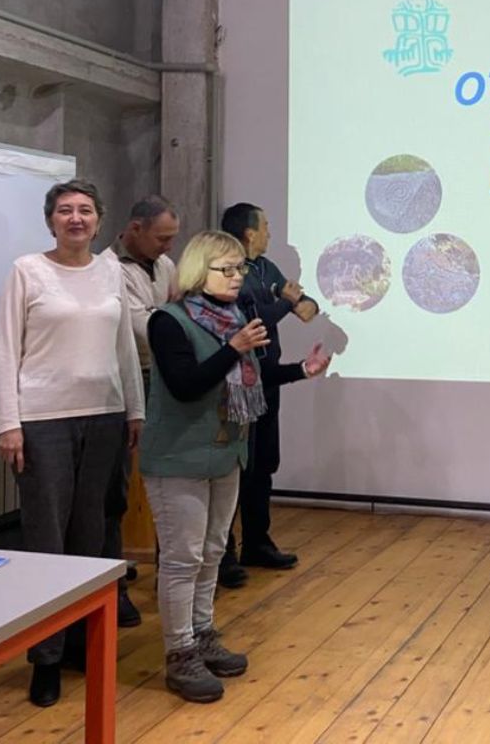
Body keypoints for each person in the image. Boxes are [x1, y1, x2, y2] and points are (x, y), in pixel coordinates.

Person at [141, 230, 330, 702]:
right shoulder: (168, 321)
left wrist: (300, 371)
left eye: (239, 269)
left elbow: (256, 376)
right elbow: (186, 386)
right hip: (179, 457)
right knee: (182, 558)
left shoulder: (235, 317)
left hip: (226, 452)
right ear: (197, 269)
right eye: (225, 269)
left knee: (211, 552)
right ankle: (179, 653)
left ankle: (203, 635)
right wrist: (235, 347)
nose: (236, 277)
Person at [0, 179, 144, 708]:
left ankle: (81, 645)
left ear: (99, 221)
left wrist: (135, 407)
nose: (75, 218)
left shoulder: (111, 271)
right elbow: (5, 349)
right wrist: (8, 423)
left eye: (84, 210)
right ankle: (45, 659)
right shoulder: (27, 271)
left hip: (104, 417)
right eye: (64, 211)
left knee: (92, 539)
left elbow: (124, 347)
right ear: (50, 220)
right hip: (42, 421)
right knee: (46, 541)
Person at [218, 202, 318, 581]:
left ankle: (257, 542)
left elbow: (304, 306)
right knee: (236, 467)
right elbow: (253, 320)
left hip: (268, 377)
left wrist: (296, 303)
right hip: (238, 382)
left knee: (263, 463)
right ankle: (224, 553)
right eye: (266, 227)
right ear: (249, 233)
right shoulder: (227, 268)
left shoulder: (265, 267)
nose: (270, 233)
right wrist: (284, 303)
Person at [101, 195, 180, 624]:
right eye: (162, 238)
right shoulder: (108, 269)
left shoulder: (164, 265)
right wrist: (171, 321)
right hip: (125, 381)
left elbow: (174, 314)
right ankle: (114, 585)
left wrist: (168, 319)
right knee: (116, 488)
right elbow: (143, 329)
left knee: (169, 477)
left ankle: (174, 573)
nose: (168, 247)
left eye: (172, 239)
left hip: (164, 376)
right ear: (135, 229)